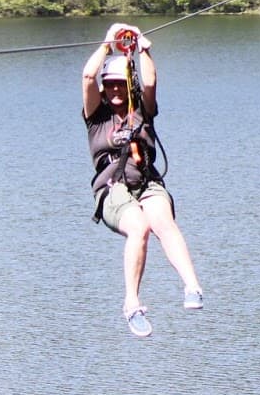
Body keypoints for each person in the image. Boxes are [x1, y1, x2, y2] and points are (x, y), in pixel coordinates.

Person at [82, 23, 204, 338]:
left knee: (164, 222)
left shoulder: (142, 112)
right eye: (110, 86)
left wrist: (145, 50)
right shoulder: (97, 117)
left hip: (147, 183)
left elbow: (149, 80)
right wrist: (108, 44)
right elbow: (87, 77)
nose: (116, 91)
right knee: (140, 227)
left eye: (121, 85)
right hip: (113, 189)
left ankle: (192, 286)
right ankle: (131, 303)